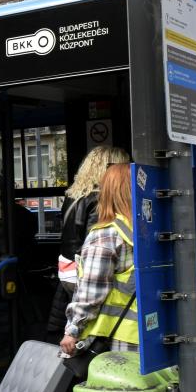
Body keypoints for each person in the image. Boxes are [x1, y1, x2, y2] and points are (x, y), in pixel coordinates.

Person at [47, 146, 131, 343]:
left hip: (66, 268)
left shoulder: (74, 195)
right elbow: (97, 247)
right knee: (93, 327)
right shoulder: (100, 200)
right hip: (83, 271)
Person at [60, 163, 139, 357]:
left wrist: (73, 330)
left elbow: (91, 291)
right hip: (146, 333)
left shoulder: (106, 235)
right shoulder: (145, 231)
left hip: (116, 339)